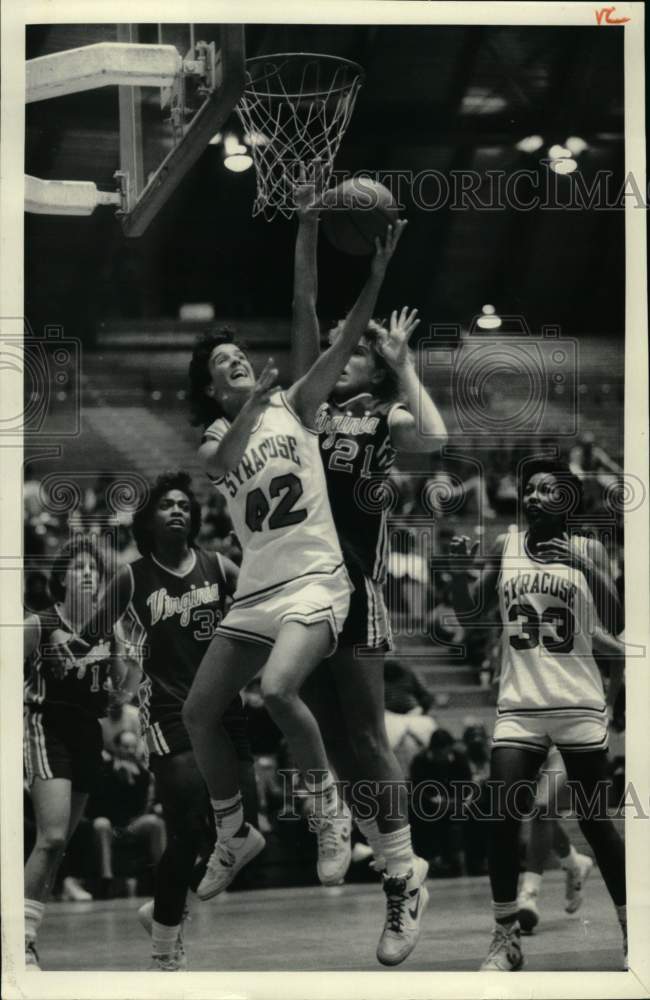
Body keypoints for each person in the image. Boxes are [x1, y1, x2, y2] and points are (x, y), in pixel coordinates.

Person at [181, 198, 406, 942]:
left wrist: (339, 248)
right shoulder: (220, 431)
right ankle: (235, 833)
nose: (237, 359)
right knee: (198, 712)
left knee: (278, 690)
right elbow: (218, 463)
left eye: (238, 353)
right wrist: (249, 407)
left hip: (315, 578)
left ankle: (329, 810)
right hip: (258, 587)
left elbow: (307, 307)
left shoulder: (299, 404)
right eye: (223, 362)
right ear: (212, 387)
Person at [290, 181, 448, 965]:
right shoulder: (307, 407)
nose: (338, 347)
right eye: (334, 342)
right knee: (328, 736)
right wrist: (308, 226)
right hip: (300, 591)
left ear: (371, 362)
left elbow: (437, 438)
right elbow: (306, 304)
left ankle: (402, 875)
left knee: (363, 734)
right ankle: (388, 858)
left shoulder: (381, 414)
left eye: (350, 346)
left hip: (355, 589)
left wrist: (403, 363)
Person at [75, 470, 258, 971]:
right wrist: (77, 662)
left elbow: (261, 604)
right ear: (148, 520)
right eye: (166, 504)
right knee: (186, 827)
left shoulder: (218, 566)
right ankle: (163, 948)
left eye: (184, 504)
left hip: (224, 706)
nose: (177, 509)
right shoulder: (132, 577)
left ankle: (162, 907)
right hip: (169, 710)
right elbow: (89, 635)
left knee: (246, 829)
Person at [449, 458, 626, 971]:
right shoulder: (505, 546)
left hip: (578, 702)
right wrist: (459, 572)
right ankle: (506, 938)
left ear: (567, 500)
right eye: (529, 489)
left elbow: (616, 618)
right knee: (501, 815)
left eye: (547, 490)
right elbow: (469, 617)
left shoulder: (588, 549)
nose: (532, 497)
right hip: (520, 704)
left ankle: (632, 931)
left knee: (594, 821)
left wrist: (586, 568)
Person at [23, 538, 116, 969]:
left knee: (59, 846)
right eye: (79, 568)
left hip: (87, 734)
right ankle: (19, 940)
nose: (88, 574)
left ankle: (28, 933)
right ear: (62, 578)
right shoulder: (40, 624)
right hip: (47, 726)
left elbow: (121, 687)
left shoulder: (108, 628)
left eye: (93, 569)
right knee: (52, 837)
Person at [516, 745, 594, 933]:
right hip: (529, 742)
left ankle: (529, 893)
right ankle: (575, 863)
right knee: (542, 809)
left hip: (565, 742)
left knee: (542, 805)